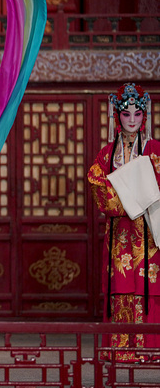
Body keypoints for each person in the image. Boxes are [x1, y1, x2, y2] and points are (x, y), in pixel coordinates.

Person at [88, 83, 160, 361]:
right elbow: (96, 183)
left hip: (150, 232)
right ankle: (122, 347)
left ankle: (151, 347)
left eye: (137, 114)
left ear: (145, 116)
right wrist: (127, 203)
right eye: (126, 114)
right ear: (117, 117)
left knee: (149, 285)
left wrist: (143, 198)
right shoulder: (107, 154)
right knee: (120, 283)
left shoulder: (155, 150)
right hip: (120, 233)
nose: (132, 120)